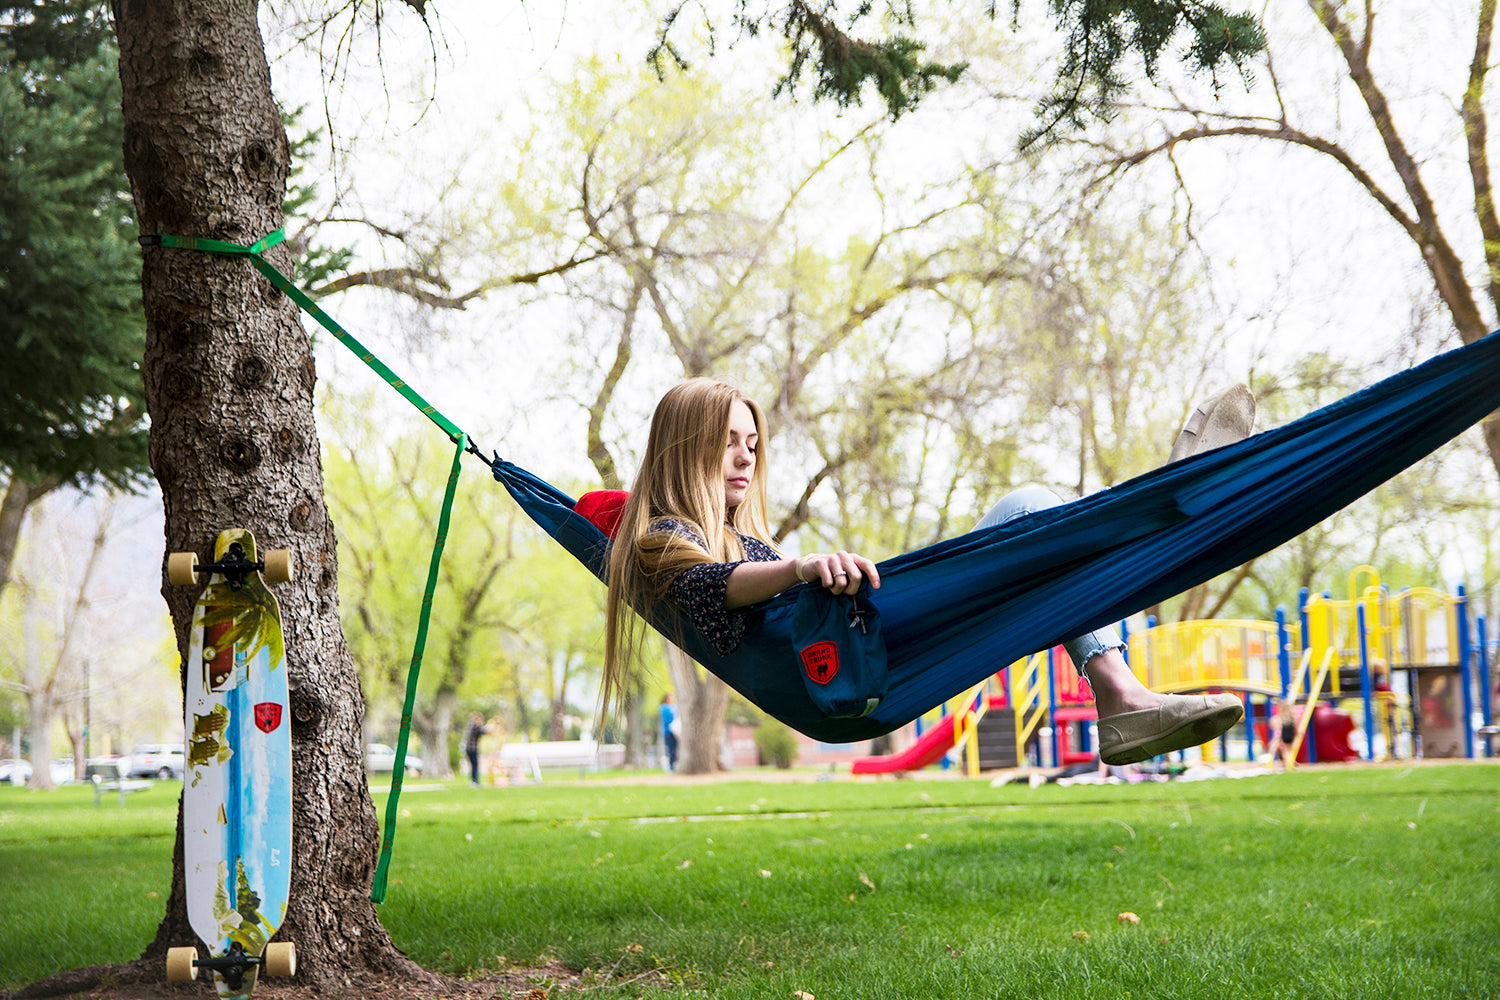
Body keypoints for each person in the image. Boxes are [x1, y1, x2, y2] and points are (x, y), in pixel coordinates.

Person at [603, 378, 1251, 766]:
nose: (745, 458)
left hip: (875, 633)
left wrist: (801, 569)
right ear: (686, 446)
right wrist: (800, 568)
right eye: (726, 442)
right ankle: (1163, 504)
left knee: (1038, 524)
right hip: (854, 663)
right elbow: (711, 587)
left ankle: (1123, 684)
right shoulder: (663, 540)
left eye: (752, 444)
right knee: (1029, 512)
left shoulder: (748, 541)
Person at [462, 713, 492, 787]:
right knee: (475, 764)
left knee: (473, 764)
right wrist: (489, 728)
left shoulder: (471, 726)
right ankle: (475, 781)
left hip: (469, 748)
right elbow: (482, 731)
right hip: (472, 748)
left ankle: (473, 780)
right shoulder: (475, 726)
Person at [659, 692, 680, 772]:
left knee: (675, 749)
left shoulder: (675, 707)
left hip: (676, 731)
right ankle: (671, 766)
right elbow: (667, 720)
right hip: (668, 732)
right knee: (670, 749)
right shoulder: (663, 708)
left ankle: (674, 764)